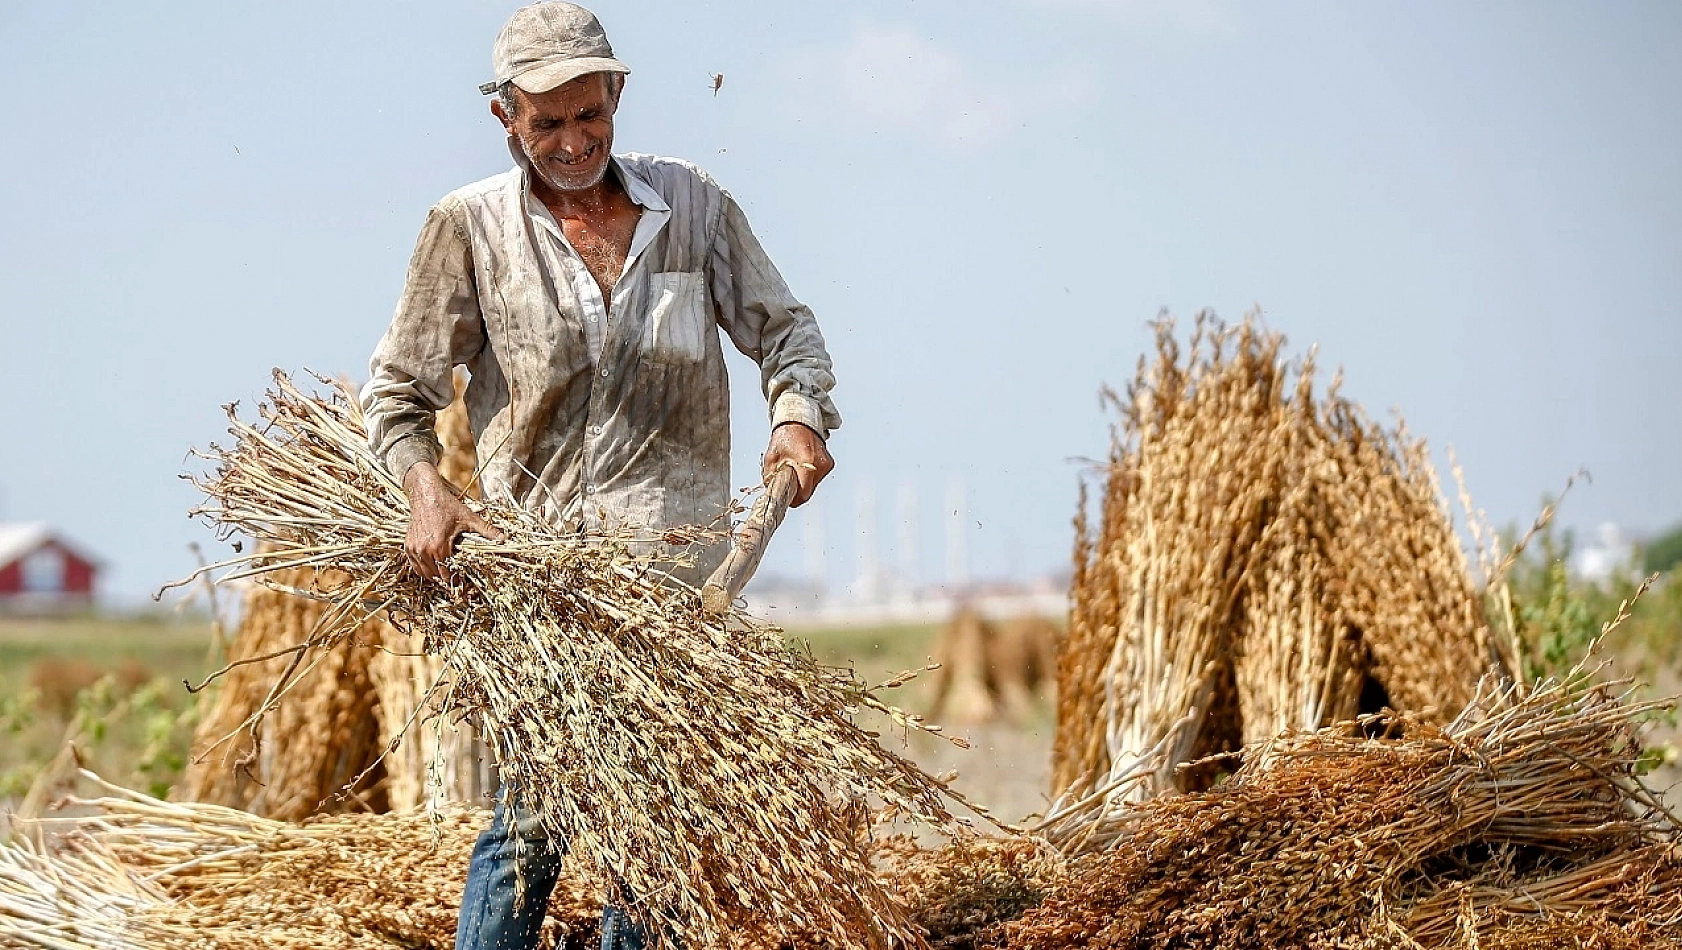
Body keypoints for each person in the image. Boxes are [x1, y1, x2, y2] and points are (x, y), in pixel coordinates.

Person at [358, 3, 840, 948]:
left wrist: (797, 417)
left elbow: (787, 333)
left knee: (655, 837)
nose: (574, 142)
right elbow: (396, 392)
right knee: (535, 818)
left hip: (680, 584)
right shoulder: (470, 229)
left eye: (592, 115)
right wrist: (428, 489)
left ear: (617, 96)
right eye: (548, 124)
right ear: (506, 118)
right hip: (545, 584)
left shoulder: (692, 207)